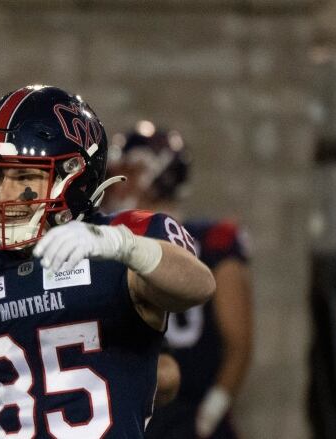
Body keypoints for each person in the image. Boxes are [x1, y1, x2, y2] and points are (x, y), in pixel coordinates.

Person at [0, 85, 215, 438]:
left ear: (74, 178)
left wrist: (124, 246)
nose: (2, 194)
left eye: (24, 176)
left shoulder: (122, 243)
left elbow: (199, 285)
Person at [104, 121, 253, 439]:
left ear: (158, 175)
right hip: (139, 405)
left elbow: (239, 342)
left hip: (189, 406)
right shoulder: (111, 238)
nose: (118, 184)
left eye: (130, 171)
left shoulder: (214, 240)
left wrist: (212, 410)